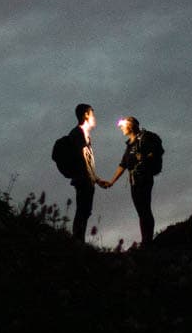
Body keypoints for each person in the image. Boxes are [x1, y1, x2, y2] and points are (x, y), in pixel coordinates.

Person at [100, 115, 159, 247]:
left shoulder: (144, 139)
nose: (121, 128)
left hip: (144, 179)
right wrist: (111, 182)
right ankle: (146, 241)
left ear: (131, 125)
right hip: (134, 182)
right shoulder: (129, 146)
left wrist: (144, 158)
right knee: (141, 211)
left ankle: (147, 242)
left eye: (123, 126)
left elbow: (154, 152)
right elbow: (123, 165)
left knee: (144, 210)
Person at [66, 103, 100, 241]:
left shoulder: (84, 135)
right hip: (82, 180)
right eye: (92, 113)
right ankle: (77, 241)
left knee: (85, 211)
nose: (94, 117)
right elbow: (84, 160)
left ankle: (79, 241)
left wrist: (95, 179)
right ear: (86, 114)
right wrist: (94, 179)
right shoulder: (77, 133)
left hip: (87, 180)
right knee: (82, 211)